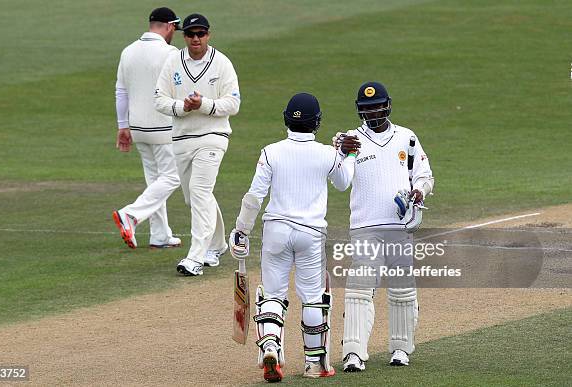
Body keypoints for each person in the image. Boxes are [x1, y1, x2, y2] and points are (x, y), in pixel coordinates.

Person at [228, 93, 360, 381]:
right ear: (317, 123)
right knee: (313, 298)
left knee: (272, 295)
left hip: (276, 231)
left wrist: (241, 231)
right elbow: (343, 182)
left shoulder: (270, 152)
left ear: (286, 119)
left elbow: (254, 197)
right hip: (310, 233)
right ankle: (315, 365)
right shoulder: (326, 153)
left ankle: (271, 347)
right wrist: (347, 155)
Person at [333, 81, 435, 371]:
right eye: (366, 109)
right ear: (359, 111)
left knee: (402, 290)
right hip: (364, 225)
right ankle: (353, 353)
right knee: (359, 290)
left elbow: (425, 175)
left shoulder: (407, 137)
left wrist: (419, 192)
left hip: (399, 226)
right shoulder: (351, 139)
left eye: (377, 106)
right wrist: (340, 147)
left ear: (387, 105)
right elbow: (338, 166)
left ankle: (401, 349)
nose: (373, 112)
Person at [154, 13, 240, 275]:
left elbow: (233, 103)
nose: (195, 39)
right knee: (195, 198)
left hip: (213, 136)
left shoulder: (222, 63)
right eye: (191, 34)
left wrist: (204, 104)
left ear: (208, 35)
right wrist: (182, 106)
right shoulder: (173, 62)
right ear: (184, 37)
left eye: (200, 34)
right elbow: (159, 99)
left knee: (200, 191)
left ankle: (196, 256)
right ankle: (217, 245)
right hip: (181, 137)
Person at [112, 7, 182, 250]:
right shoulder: (170, 52)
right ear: (170, 26)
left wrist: (123, 126)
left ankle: (160, 235)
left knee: (155, 180)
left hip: (137, 127)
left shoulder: (128, 51)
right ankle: (131, 214)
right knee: (173, 177)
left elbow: (121, 92)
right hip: (163, 126)